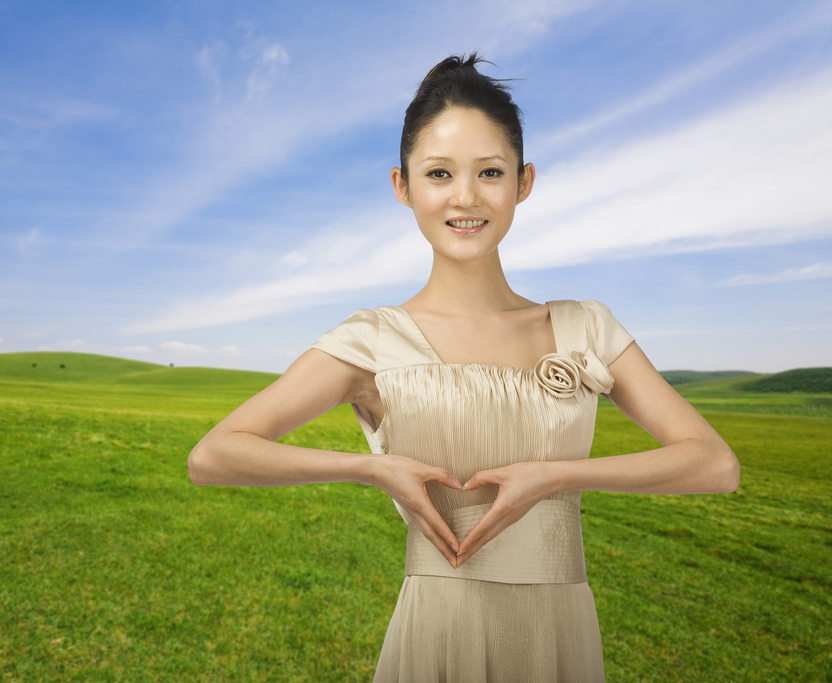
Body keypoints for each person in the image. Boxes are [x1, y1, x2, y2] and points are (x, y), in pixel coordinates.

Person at [188, 54, 739, 682]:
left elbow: (714, 464)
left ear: (524, 182)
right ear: (403, 186)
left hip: (559, 633)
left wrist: (556, 477)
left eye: (491, 172)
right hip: (438, 632)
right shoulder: (373, 339)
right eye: (440, 173)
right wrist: (370, 468)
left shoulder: (586, 327)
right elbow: (214, 456)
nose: (466, 197)